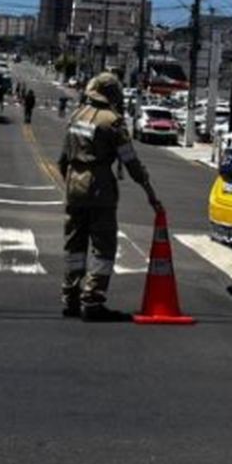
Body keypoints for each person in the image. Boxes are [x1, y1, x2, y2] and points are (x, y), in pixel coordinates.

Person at [57, 72, 161, 322]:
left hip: (74, 186)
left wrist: (71, 184)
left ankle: (70, 296)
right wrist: (150, 194)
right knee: (103, 247)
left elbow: (62, 160)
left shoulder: (76, 116)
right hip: (99, 187)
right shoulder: (112, 122)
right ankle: (92, 300)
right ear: (112, 94)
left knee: (74, 244)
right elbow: (130, 161)